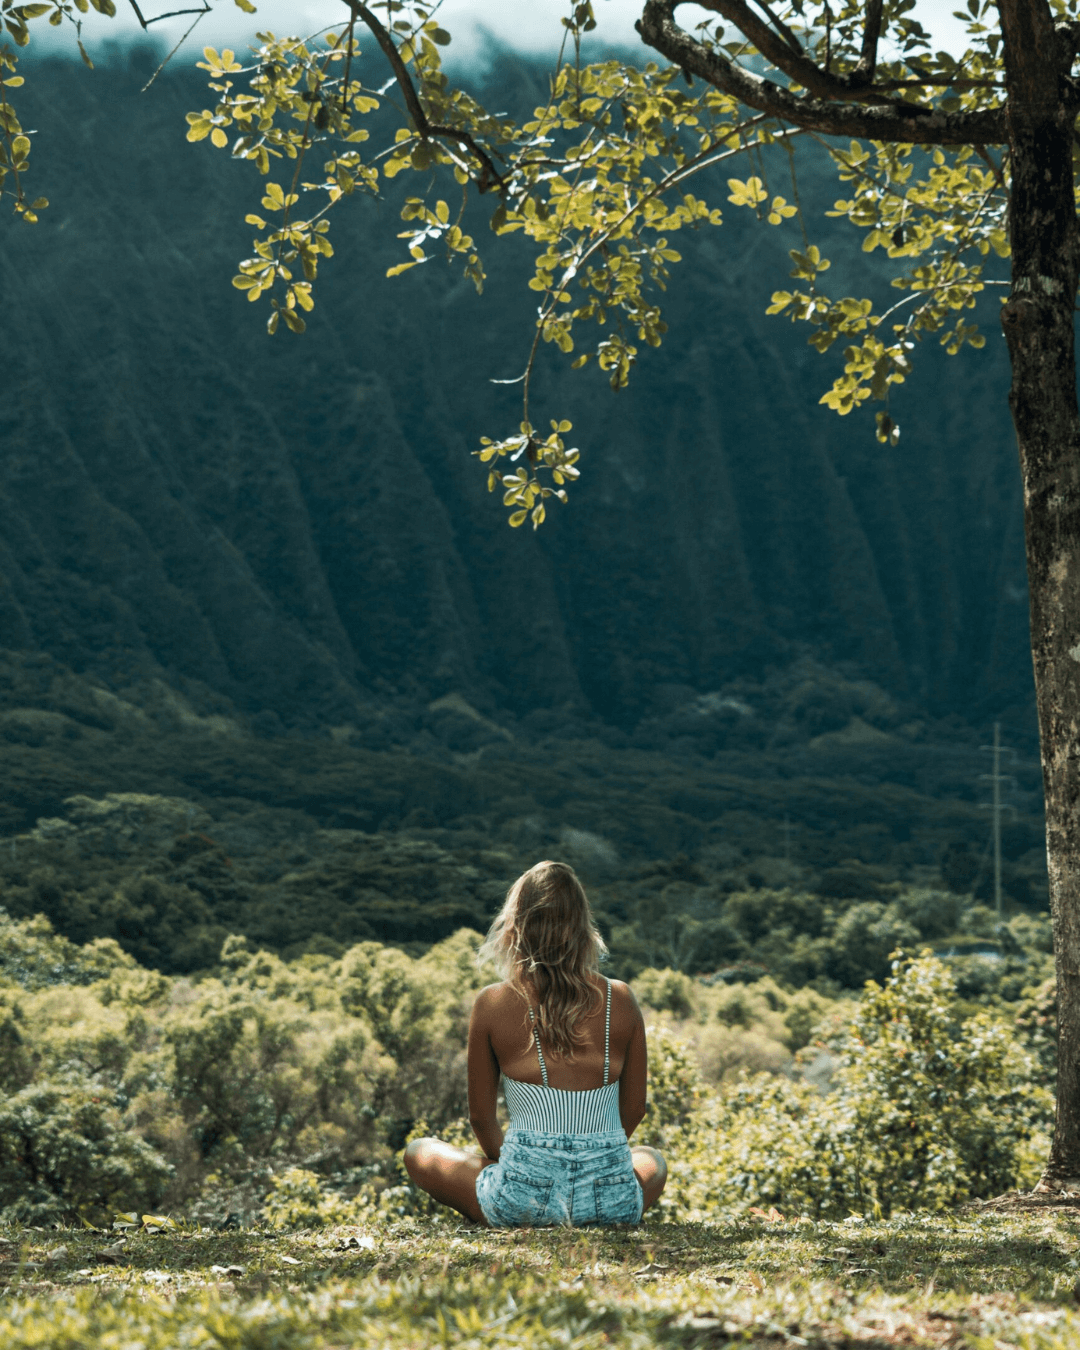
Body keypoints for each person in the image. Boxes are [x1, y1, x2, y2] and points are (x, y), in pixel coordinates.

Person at [404, 859, 667, 1226]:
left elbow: (481, 1118)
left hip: (522, 1199)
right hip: (611, 1200)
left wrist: (528, 1169)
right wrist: (592, 1159)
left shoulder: (493, 1002)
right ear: (582, 926)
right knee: (652, 1158)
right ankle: (595, 1206)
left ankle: (515, 1205)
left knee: (419, 1151)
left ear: (515, 926)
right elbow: (635, 1108)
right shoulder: (620, 998)